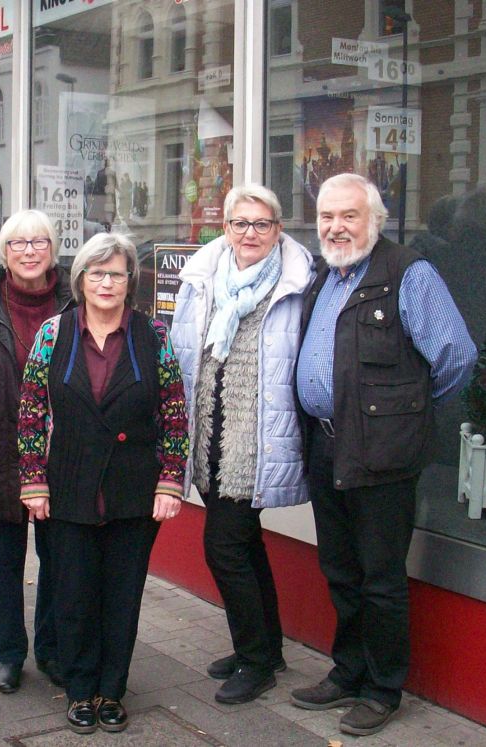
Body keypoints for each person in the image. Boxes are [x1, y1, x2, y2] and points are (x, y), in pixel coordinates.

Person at [292, 173, 477, 737]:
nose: (336, 227)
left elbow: (455, 357)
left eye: (348, 215)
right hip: (326, 445)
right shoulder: (325, 276)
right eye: (327, 217)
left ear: (376, 218)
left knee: (380, 577)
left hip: (382, 454)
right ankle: (348, 670)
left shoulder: (407, 273)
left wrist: (406, 419)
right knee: (341, 569)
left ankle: (382, 687)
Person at [17, 233, 188, 734]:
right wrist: (33, 481)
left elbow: (175, 413)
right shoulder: (53, 333)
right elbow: (30, 413)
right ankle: (79, 690)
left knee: (122, 595)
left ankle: (112, 690)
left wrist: (170, 481)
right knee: (72, 595)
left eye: (116, 273)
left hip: (133, 489)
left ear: (130, 281)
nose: (107, 282)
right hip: (67, 485)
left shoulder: (153, 335)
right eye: (97, 273)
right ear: (81, 280)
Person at [170, 184, 314, 705]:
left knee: (224, 547)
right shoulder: (203, 279)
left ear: (278, 229)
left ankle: (256, 662)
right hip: (208, 430)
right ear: (225, 228)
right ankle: (265, 649)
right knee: (246, 545)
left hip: (255, 439)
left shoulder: (298, 284)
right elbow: (181, 348)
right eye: (240, 223)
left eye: (261, 223)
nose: (249, 233)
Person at [0, 210, 74, 694]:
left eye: (40, 241)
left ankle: (51, 650)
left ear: (53, 248)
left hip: (61, 453)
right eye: (18, 243)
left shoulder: (77, 299)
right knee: (4, 562)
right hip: (0, 449)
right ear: (4, 252)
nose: (30, 251)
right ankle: (10, 654)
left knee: (58, 561)